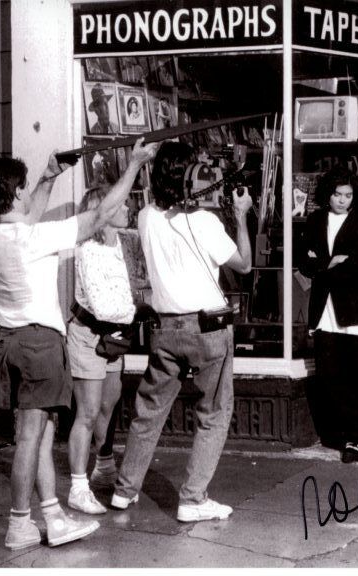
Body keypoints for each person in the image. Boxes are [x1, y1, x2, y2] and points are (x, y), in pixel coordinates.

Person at [0, 137, 158, 550]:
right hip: (39, 345)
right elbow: (101, 215)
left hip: (8, 342)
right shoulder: (33, 239)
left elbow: (25, 217)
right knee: (30, 436)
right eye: (26, 187)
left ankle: (53, 515)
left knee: (37, 433)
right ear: (17, 191)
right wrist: (133, 165)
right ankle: (20, 523)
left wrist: (47, 177)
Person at [111, 142, 253, 523]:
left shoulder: (144, 217)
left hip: (165, 328)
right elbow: (243, 264)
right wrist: (240, 216)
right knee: (214, 413)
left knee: (150, 409)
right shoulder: (205, 222)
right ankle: (192, 498)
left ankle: (125, 490)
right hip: (207, 329)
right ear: (191, 178)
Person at [299, 165, 358, 464]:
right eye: (337, 194)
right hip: (324, 311)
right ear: (328, 194)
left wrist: (323, 266)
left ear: (356, 196)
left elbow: (356, 266)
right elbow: (304, 264)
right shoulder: (314, 221)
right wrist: (330, 263)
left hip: (357, 311)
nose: (342, 200)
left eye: (348, 195)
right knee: (331, 378)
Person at [64, 185, 137, 515]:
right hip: (89, 334)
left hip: (113, 337)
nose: (128, 208)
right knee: (88, 412)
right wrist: (141, 311)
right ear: (102, 211)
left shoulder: (120, 242)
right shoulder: (87, 250)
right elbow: (104, 306)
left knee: (109, 404)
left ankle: (104, 466)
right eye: (121, 204)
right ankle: (78, 487)